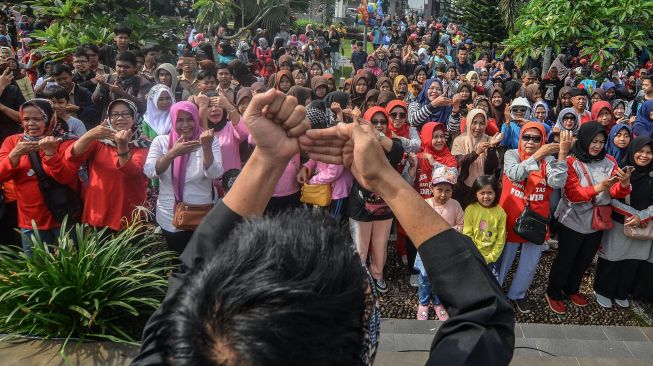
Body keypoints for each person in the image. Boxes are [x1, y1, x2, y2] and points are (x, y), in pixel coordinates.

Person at [133, 82, 514, 366]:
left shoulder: (172, 352)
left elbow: (188, 276)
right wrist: (384, 177)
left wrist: (269, 157)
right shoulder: (173, 340)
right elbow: (486, 316)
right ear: (364, 338)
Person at [546, 122, 631, 315]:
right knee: (566, 259)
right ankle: (553, 292)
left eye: (601, 142)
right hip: (572, 220)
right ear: (584, 140)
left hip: (596, 221)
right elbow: (573, 194)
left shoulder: (609, 161)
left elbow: (616, 191)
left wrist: (624, 183)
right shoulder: (571, 162)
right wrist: (601, 187)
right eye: (593, 141)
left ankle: (572, 289)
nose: (597, 146)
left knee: (584, 259)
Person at [498, 122, 572, 314]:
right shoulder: (511, 154)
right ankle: (494, 292)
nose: (530, 142)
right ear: (520, 137)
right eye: (526, 137)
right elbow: (514, 173)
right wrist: (538, 155)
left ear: (542, 141)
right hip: (511, 216)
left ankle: (517, 294)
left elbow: (558, 181)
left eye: (536, 138)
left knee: (529, 263)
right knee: (503, 259)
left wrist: (562, 154)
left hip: (537, 218)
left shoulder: (548, 160)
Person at [0, 99, 79, 255]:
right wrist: (14, 155)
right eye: (26, 119)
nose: (30, 123)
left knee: (70, 269)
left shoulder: (64, 141)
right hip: (31, 222)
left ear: (50, 118)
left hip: (62, 218)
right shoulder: (13, 142)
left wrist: (51, 154)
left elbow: (66, 178)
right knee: (37, 270)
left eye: (38, 118)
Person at [144, 102, 222, 254]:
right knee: (177, 261)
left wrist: (206, 148)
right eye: (180, 120)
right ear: (173, 120)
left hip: (202, 214)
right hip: (170, 216)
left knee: (201, 263)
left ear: (196, 119)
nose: (185, 125)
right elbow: (150, 171)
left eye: (190, 119)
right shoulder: (161, 142)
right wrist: (172, 154)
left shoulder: (209, 140)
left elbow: (215, 174)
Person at [65, 99, 151, 232]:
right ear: (109, 118)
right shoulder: (100, 141)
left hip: (129, 211)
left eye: (125, 114)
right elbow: (71, 155)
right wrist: (90, 134)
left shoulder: (143, 144)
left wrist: (122, 146)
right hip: (99, 210)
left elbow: (132, 172)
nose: (120, 118)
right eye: (115, 114)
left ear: (134, 117)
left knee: (131, 251)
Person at [348, 106, 405, 294]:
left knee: (380, 244)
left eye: (382, 121)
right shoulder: (356, 141)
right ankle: (361, 279)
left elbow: (397, 154)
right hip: (360, 204)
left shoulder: (392, 141)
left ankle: (378, 275)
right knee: (360, 246)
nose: (379, 125)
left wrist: (376, 134)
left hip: (385, 204)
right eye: (375, 121)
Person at [594, 137, 653, 308]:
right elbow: (610, 198)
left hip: (644, 225)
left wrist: (643, 216)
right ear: (633, 151)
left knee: (632, 261)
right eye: (640, 151)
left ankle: (621, 291)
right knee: (612, 259)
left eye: (649, 153)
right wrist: (635, 215)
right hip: (620, 224)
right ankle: (603, 290)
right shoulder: (620, 170)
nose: (644, 156)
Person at [414, 166, 462, 321]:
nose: (443, 194)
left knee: (443, 280)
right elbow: (417, 226)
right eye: (439, 189)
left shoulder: (455, 205)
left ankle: (438, 302)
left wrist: (449, 230)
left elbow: (462, 225)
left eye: (448, 191)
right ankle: (423, 303)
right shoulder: (425, 204)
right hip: (427, 251)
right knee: (425, 279)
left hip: (448, 252)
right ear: (431, 187)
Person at [451, 109, 502, 207]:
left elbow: (493, 166)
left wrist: (491, 148)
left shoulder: (489, 140)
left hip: (484, 189)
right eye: (474, 123)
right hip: (464, 188)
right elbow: (459, 161)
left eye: (482, 123)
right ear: (469, 122)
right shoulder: (459, 140)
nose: (478, 127)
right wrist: (476, 153)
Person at [463, 175, 506, 279]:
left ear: (495, 193)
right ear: (476, 193)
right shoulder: (470, 210)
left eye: (490, 192)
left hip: (491, 258)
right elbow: (467, 234)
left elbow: (501, 238)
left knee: (487, 280)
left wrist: (491, 257)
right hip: (473, 256)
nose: (486, 196)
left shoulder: (500, 212)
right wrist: (475, 255)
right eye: (482, 193)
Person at [198, 92, 248, 175]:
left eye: (218, 106)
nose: (214, 109)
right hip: (209, 184)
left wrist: (228, 105)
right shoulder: (199, 130)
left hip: (231, 182)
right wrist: (202, 107)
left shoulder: (231, 127)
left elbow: (244, 133)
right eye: (209, 106)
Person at [93, 51, 154, 117]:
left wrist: (122, 93)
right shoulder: (107, 79)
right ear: (115, 66)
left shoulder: (143, 83)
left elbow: (142, 108)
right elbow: (96, 102)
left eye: (126, 67)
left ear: (135, 67)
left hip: (132, 124)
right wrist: (101, 86)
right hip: (109, 122)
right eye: (119, 66)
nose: (122, 69)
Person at [51, 63, 99, 129]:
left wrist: (78, 109)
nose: (63, 82)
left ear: (71, 76)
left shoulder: (83, 92)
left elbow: (95, 112)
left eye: (65, 78)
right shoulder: (52, 94)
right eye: (58, 80)